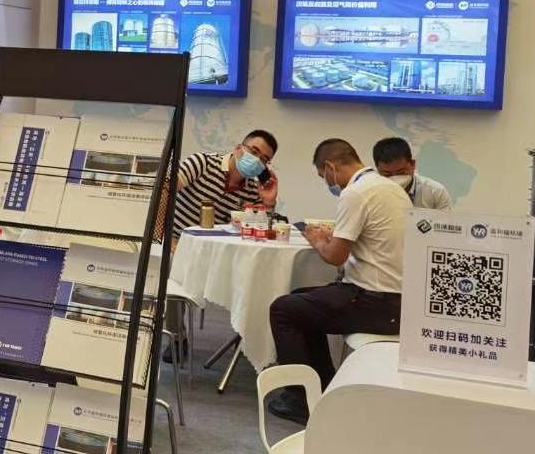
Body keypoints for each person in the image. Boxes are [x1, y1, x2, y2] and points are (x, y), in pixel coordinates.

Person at [267, 138, 409, 425]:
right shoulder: (390, 188)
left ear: (331, 167)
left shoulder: (356, 193)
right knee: (302, 300)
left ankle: (299, 400)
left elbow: (335, 256)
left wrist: (318, 239)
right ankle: (322, 387)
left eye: (323, 176)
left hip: (375, 302)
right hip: (398, 301)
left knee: (283, 309)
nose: (327, 183)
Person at [170, 130, 280, 238]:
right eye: (254, 152)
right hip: (174, 240)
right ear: (238, 148)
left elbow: (261, 233)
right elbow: (165, 190)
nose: (257, 160)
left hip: (212, 246)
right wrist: (167, 241)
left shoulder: (254, 190)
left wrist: (269, 203)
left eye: (264, 159)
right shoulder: (203, 162)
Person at [372, 137, 453, 211]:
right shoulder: (370, 194)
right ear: (377, 168)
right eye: (387, 174)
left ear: (412, 164)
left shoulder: (435, 192)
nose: (395, 178)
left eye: (401, 172)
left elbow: (447, 221)